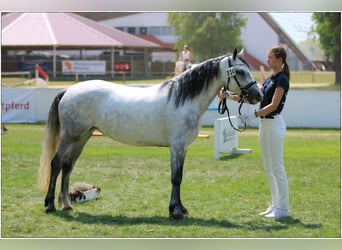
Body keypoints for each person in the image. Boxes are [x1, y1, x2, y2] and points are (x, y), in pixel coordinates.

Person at [225, 45, 290, 220]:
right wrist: (229, 96)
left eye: (270, 57)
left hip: (274, 125)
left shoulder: (282, 80)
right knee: (269, 168)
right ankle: (275, 205)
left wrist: (252, 116)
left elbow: (274, 105)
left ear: (279, 59)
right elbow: (254, 99)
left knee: (277, 168)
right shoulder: (270, 79)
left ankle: (283, 208)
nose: (267, 60)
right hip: (264, 125)